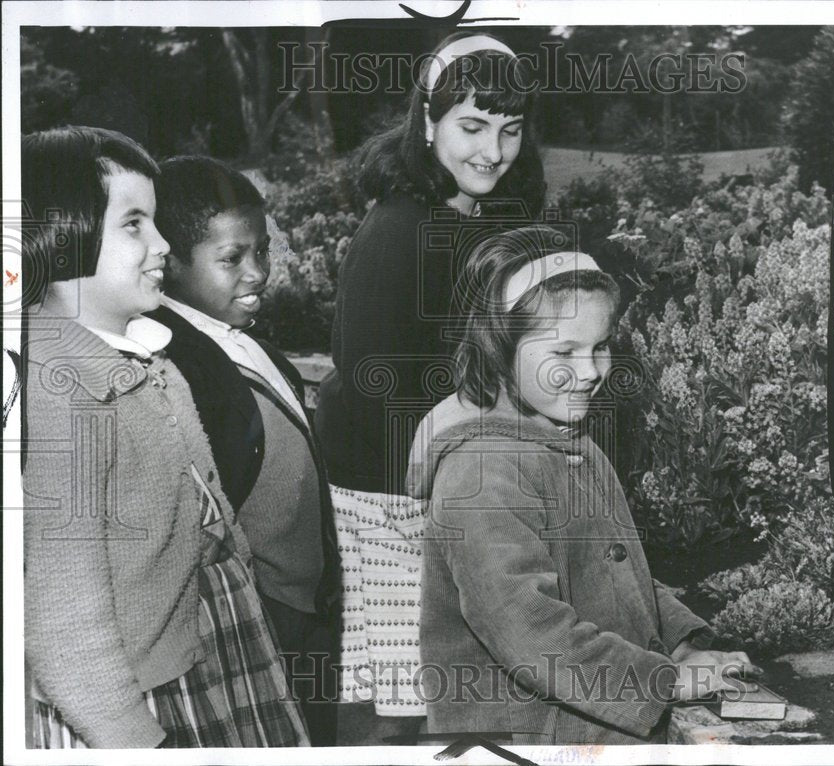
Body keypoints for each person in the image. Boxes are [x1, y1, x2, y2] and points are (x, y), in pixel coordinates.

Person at [406, 226, 761, 744]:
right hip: (521, 738)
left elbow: (619, 570)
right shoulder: (482, 472)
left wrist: (681, 642)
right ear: (499, 349)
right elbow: (526, 628)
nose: (591, 371)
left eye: (600, 347)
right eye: (564, 352)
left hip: (585, 725)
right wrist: (661, 679)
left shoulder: (572, 442)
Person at [20, 127, 308, 748]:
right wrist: (135, 740)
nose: (161, 243)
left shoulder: (153, 358)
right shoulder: (59, 396)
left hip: (202, 643)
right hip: (127, 698)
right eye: (134, 224)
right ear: (64, 232)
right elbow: (63, 621)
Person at [313, 32, 545, 740]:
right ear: (427, 122)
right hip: (391, 504)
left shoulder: (467, 217)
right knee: (406, 709)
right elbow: (371, 384)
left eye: (509, 130)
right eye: (472, 126)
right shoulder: (400, 230)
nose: (492, 151)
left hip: (442, 491)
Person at [147, 155, 339, 744]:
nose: (257, 273)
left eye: (262, 252)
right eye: (231, 259)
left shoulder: (247, 344)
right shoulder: (180, 361)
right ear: (171, 262)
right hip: (260, 612)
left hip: (306, 606)